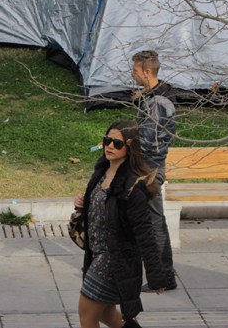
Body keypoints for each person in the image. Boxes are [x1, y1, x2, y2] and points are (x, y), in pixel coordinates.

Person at [74, 120, 167, 328]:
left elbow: (145, 233)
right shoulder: (102, 172)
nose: (109, 146)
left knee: (86, 314)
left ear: (129, 147)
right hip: (95, 254)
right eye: (107, 140)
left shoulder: (132, 186)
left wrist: (156, 276)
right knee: (105, 313)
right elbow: (102, 208)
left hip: (113, 259)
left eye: (117, 143)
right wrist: (83, 203)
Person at [131, 50, 178, 292]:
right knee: (151, 221)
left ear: (147, 71)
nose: (132, 74)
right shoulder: (155, 96)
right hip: (148, 166)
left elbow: (150, 142)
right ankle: (163, 275)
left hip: (149, 168)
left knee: (154, 223)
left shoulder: (158, 102)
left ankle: (163, 277)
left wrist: (128, 141)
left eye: (135, 70)